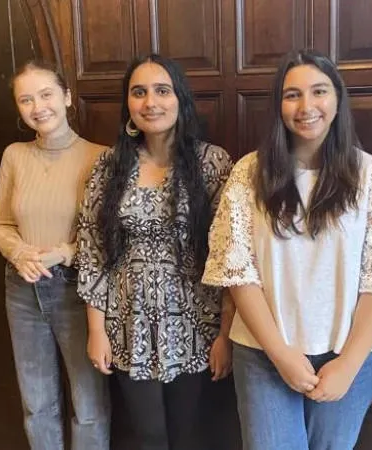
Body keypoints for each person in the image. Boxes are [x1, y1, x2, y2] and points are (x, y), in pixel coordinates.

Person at [201, 49, 372, 450]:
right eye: (292, 95)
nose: (306, 107)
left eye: (319, 91)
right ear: (278, 105)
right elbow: (237, 270)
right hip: (263, 351)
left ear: (337, 100)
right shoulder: (249, 172)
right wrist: (281, 354)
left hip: (351, 353)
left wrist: (349, 364)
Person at [76, 54, 234, 450]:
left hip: (197, 323)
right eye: (139, 92)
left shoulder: (212, 162)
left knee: (188, 434)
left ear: (180, 98)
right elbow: (93, 250)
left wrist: (226, 334)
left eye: (162, 91)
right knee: (148, 436)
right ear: (128, 104)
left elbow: (231, 255)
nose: (151, 102)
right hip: (129, 323)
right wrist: (97, 330)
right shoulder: (109, 166)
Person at [0, 60, 110, 450]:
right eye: (26, 100)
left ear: (67, 97)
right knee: (37, 403)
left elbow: (109, 238)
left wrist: (64, 253)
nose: (37, 106)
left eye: (46, 94)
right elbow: (1, 225)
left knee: (89, 403)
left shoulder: (101, 157)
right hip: (22, 289)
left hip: (79, 290)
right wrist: (19, 253)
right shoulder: (15, 155)